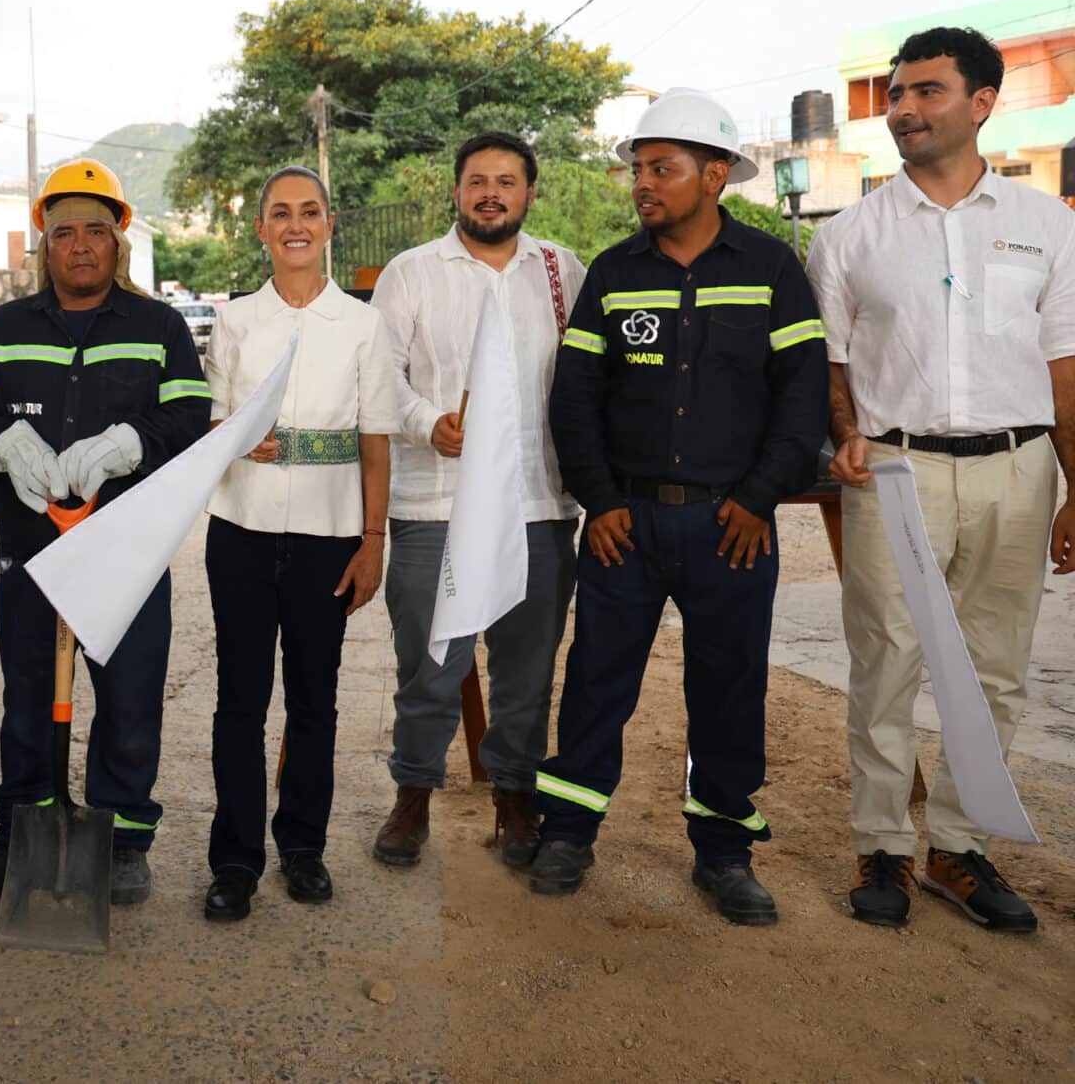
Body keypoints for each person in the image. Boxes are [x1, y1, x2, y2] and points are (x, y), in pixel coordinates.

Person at [535, 88, 826, 925]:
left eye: (661, 168)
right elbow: (574, 399)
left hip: (733, 528)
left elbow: (802, 398)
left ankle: (724, 852)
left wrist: (759, 499)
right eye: (639, 169)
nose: (642, 184)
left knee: (729, 688)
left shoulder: (772, 270)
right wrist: (600, 500)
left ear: (715, 174)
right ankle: (568, 831)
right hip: (625, 526)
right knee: (596, 681)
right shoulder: (614, 274)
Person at [808, 26, 1075, 934]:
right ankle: (881, 845)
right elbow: (833, 365)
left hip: (1020, 466)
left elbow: (1064, 363)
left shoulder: (1047, 225)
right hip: (894, 468)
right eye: (895, 94)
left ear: (982, 103)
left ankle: (958, 848)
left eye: (926, 91)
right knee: (886, 660)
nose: (903, 110)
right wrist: (847, 435)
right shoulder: (849, 234)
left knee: (996, 666)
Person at [0, 159, 209, 906]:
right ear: (46, 244)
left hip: (128, 552)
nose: (81, 245)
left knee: (129, 701)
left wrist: (129, 442)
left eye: (96, 230)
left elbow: (188, 415)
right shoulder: (4, 329)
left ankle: (123, 839)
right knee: (28, 697)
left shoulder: (160, 328)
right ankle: (21, 830)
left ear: (117, 241)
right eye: (65, 232)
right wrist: (2, 443)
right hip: (32, 550)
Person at [370, 133, 585, 872]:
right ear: (457, 191)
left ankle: (516, 798)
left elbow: (588, 378)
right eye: (477, 180)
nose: (491, 192)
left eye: (507, 180)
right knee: (431, 665)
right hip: (436, 503)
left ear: (529, 193)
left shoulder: (562, 271)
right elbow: (381, 376)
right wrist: (428, 422)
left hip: (538, 503)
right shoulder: (411, 272)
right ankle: (414, 794)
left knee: (527, 671)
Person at [200, 166, 394, 921]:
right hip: (242, 532)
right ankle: (235, 859)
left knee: (315, 699)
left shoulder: (363, 325)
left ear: (329, 224)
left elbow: (375, 441)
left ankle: (304, 848)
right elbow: (213, 422)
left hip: (328, 538)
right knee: (240, 700)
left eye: (309, 212)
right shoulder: (236, 321)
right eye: (280, 213)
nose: (295, 225)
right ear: (261, 229)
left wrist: (372, 539)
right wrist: (239, 438)